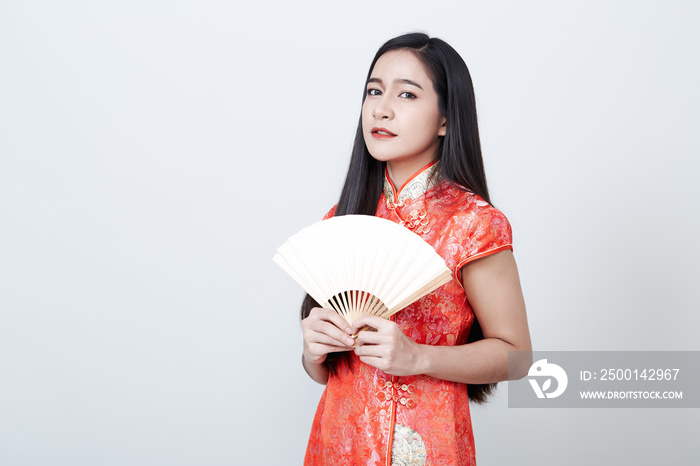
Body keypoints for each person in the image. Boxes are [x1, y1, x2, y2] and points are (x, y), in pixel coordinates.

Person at [299, 32, 532, 466]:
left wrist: (418, 356)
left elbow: (516, 357)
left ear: (445, 118)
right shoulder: (344, 216)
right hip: (337, 443)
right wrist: (313, 350)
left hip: (427, 447)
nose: (382, 108)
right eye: (374, 90)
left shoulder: (474, 223)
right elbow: (326, 372)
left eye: (406, 93)